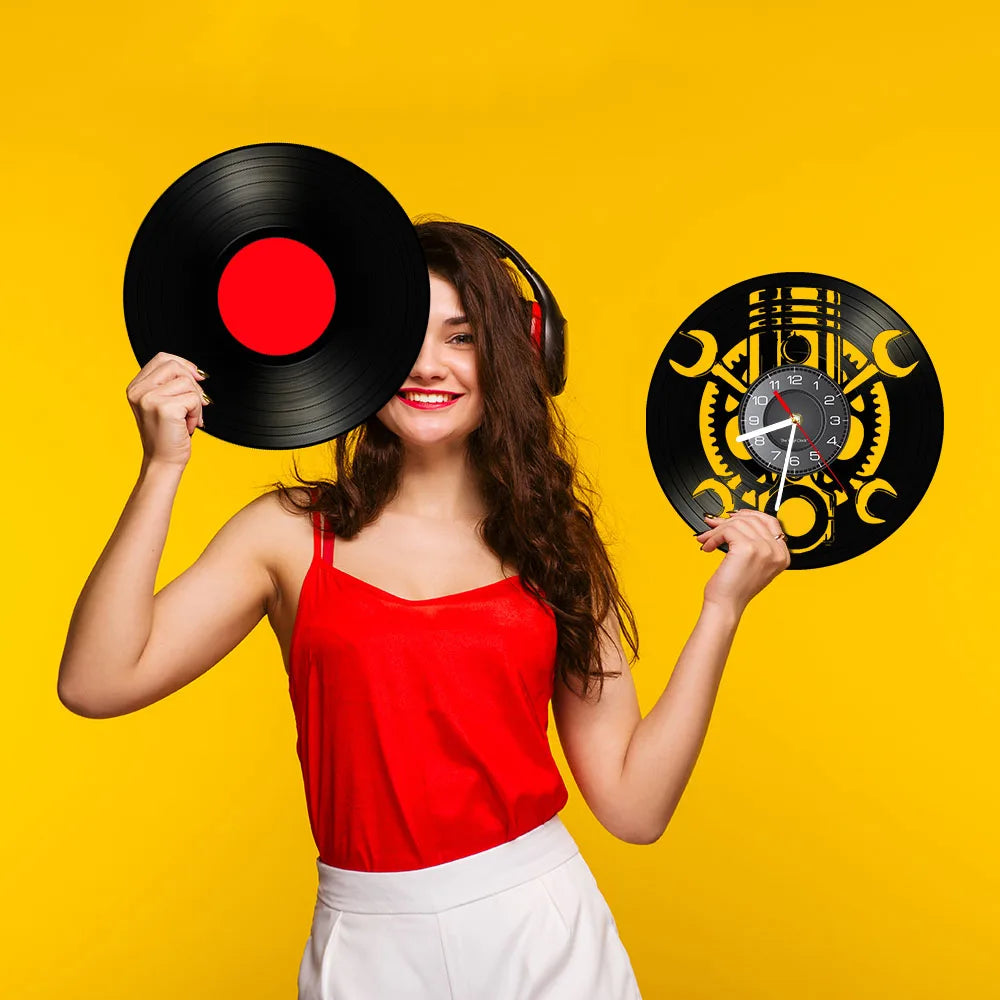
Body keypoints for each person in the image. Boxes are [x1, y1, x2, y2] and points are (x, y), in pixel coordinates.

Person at [57, 219, 790, 998]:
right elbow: (97, 682)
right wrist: (163, 466)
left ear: (515, 355)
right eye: (404, 334)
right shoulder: (288, 535)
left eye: (463, 337)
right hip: (364, 940)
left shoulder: (556, 542)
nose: (427, 366)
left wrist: (722, 611)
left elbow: (635, 807)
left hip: (541, 933)